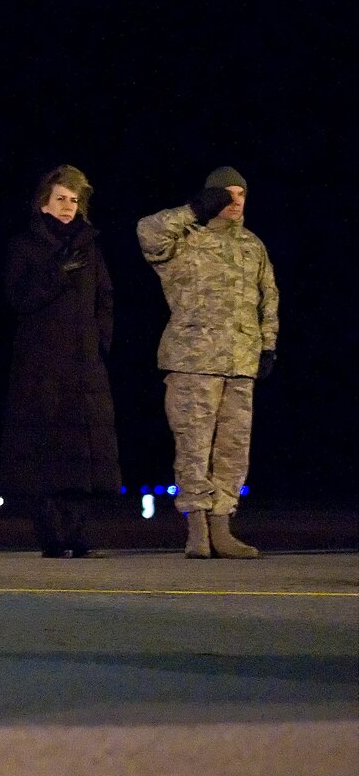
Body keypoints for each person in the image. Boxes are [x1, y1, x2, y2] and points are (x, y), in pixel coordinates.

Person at [137, 167, 279, 560]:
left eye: (240, 194)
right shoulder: (186, 239)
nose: (235, 201)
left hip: (241, 362)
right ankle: (197, 528)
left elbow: (268, 298)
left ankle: (222, 527)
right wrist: (194, 210)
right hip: (192, 360)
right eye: (225, 194)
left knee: (234, 449)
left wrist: (267, 346)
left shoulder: (253, 246)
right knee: (193, 447)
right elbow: (147, 231)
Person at [0, 166, 120, 557]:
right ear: (44, 203)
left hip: (84, 366)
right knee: (45, 451)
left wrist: (100, 342)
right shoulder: (25, 244)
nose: (68, 207)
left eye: (74, 200)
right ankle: (51, 536)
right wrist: (56, 273)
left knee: (83, 454)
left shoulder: (90, 245)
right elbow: (18, 298)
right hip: (41, 367)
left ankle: (77, 534)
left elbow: (105, 297)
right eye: (61, 199)